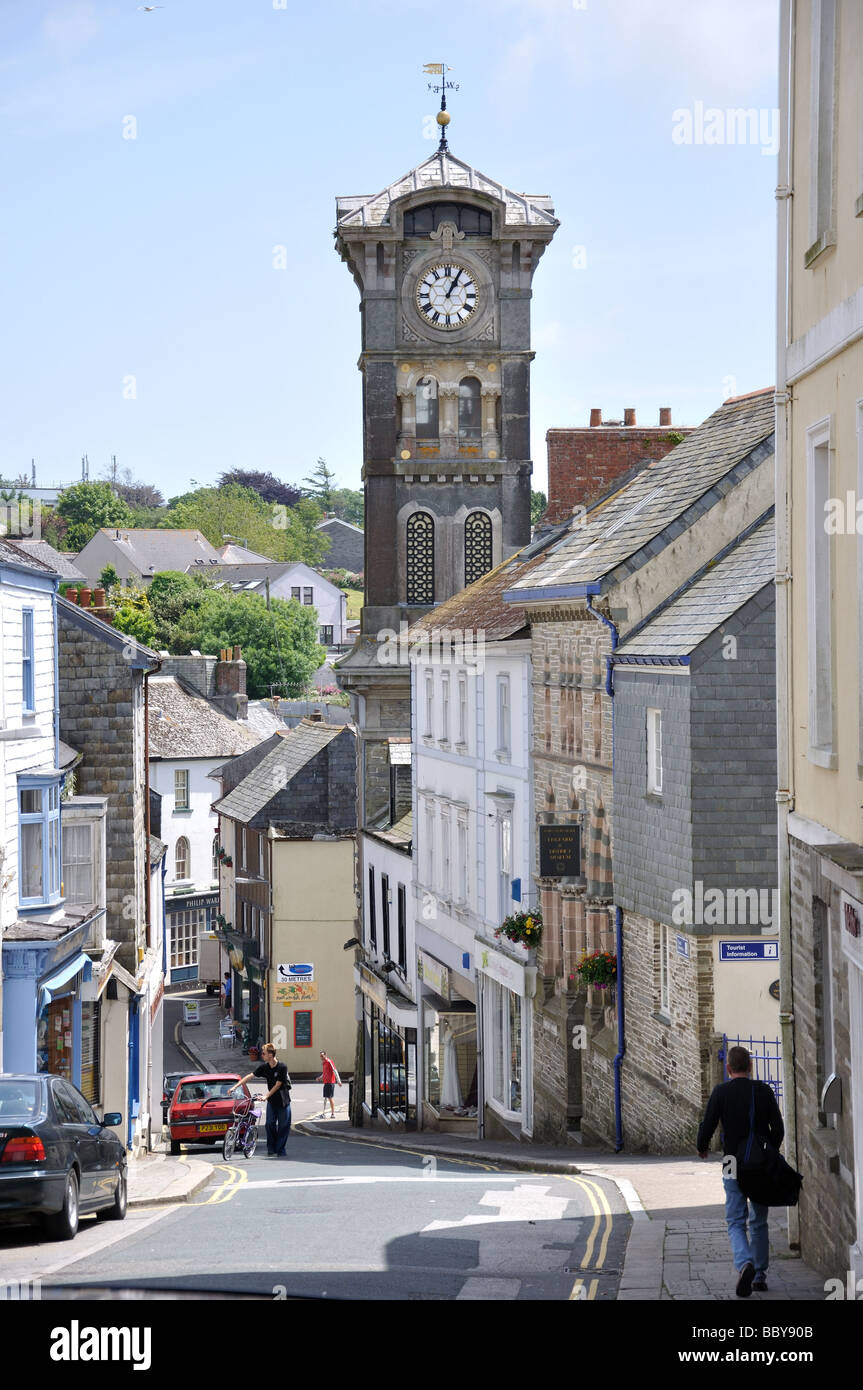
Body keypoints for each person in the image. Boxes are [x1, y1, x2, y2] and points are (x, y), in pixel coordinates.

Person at [696, 1044, 785, 1297]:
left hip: (731, 1162)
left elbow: (709, 1123)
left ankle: (744, 1262)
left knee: (735, 1220)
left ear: (728, 1068)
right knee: (758, 1219)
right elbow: (778, 1128)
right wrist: (769, 1150)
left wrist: (702, 1147)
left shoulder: (721, 1091)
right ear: (750, 1067)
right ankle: (758, 1275)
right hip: (759, 1163)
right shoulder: (764, 1091)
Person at [231, 1043, 291, 1157]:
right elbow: (250, 1075)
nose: (261, 1055)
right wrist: (235, 1086)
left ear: (270, 1054)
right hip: (272, 1101)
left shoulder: (282, 1067)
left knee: (283, 1127)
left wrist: (265, 1096)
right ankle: (271, 1149)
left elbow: (278, 1085)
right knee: (269, 1124)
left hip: (283, 1102)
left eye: (263, 1053)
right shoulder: (264, 1067)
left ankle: (280, 1149)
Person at [315, 1049, 341, 1118]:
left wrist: (338, 1081)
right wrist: (319, 1078)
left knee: (330, 1098)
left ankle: (333, 1114)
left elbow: (334, 1070)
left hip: (330, 1082)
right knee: (326, 1098)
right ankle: (324, 1114)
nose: (321, 1057)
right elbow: (324, 1073)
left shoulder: (329, 1062)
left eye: (322, 1056)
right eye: (320, 1056)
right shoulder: (324, 1063)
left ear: (325, 1055)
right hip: (326, 1082)